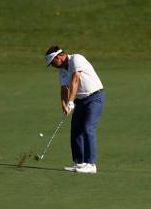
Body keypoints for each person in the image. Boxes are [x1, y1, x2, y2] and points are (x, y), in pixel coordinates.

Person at [44, 45, 105, 174]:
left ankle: (91, 164)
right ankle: (79, 162)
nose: (53, 66)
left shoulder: (76, 59)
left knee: (88, 128)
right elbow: (64, 89)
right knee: (76, 130)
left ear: (59, 56)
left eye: (53, 62)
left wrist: (70, 102)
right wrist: (65, 106)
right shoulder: (62, 71)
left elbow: (75, 80)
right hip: (80, 101)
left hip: (94, 97)